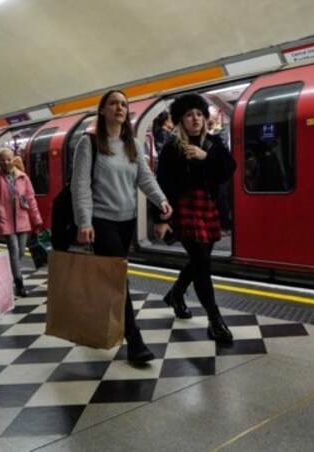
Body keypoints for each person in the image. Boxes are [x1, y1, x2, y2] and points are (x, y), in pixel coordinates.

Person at [70, 89, 172, 364]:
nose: (119, 107)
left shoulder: (132, 145)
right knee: (119, 281)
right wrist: (85, 221)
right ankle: (135, 342)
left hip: (126, 220)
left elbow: (145, 177)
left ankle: (101, 325)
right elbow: (80, 186)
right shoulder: (88, 143)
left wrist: (161, 200)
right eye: (113, 103)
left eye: (124, 104)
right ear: (102, 110)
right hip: (102, 221)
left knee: (112, 280)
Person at [153, 93, 237, 342]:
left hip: (207, 207)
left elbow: (229, 169)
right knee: (202, 263)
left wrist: (206, 158)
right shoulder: (172, 147)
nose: (195, 119)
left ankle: (176, 294)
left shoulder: (211, 144)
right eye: (189, 115)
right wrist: (161, 218)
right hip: (184, 208)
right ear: (181, 120)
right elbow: (162, 183)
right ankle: (215, 320)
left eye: (199, 114)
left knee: (201, 260)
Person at [0, 146, 43, 297]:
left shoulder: (23, 177)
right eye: (2, 160)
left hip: (22, 220)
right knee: (14, 251)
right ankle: (19, 284)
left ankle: (10, 274)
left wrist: (37, 219)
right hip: (5, 220)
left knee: (20, 251)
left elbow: (31, 199)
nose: (6, 162)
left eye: (8, 159)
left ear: (14, 159)